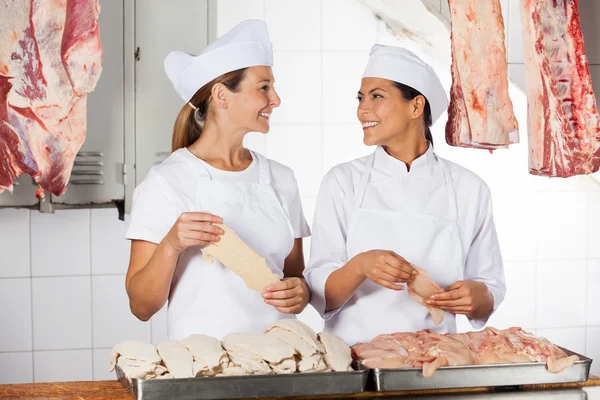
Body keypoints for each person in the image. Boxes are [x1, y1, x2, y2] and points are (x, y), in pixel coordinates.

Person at [304, 44, 506, 345]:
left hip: (436, 358)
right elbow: (321, 294)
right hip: (355, 359)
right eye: (361, 98)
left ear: (416, 106)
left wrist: (477, 296)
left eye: (377, 96)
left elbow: (489, 289)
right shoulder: (342, 182)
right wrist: (361, 266)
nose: (362, 109)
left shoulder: (469, 188)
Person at [124, 20, 311, 340]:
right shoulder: (167, 182)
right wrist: (171, 244)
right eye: (264, 87)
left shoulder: (281, 179)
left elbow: (295, 276)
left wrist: (301, 293)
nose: (276, 99)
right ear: (222, 96)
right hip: (203, 370)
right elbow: (142, 308)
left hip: (279, 364)